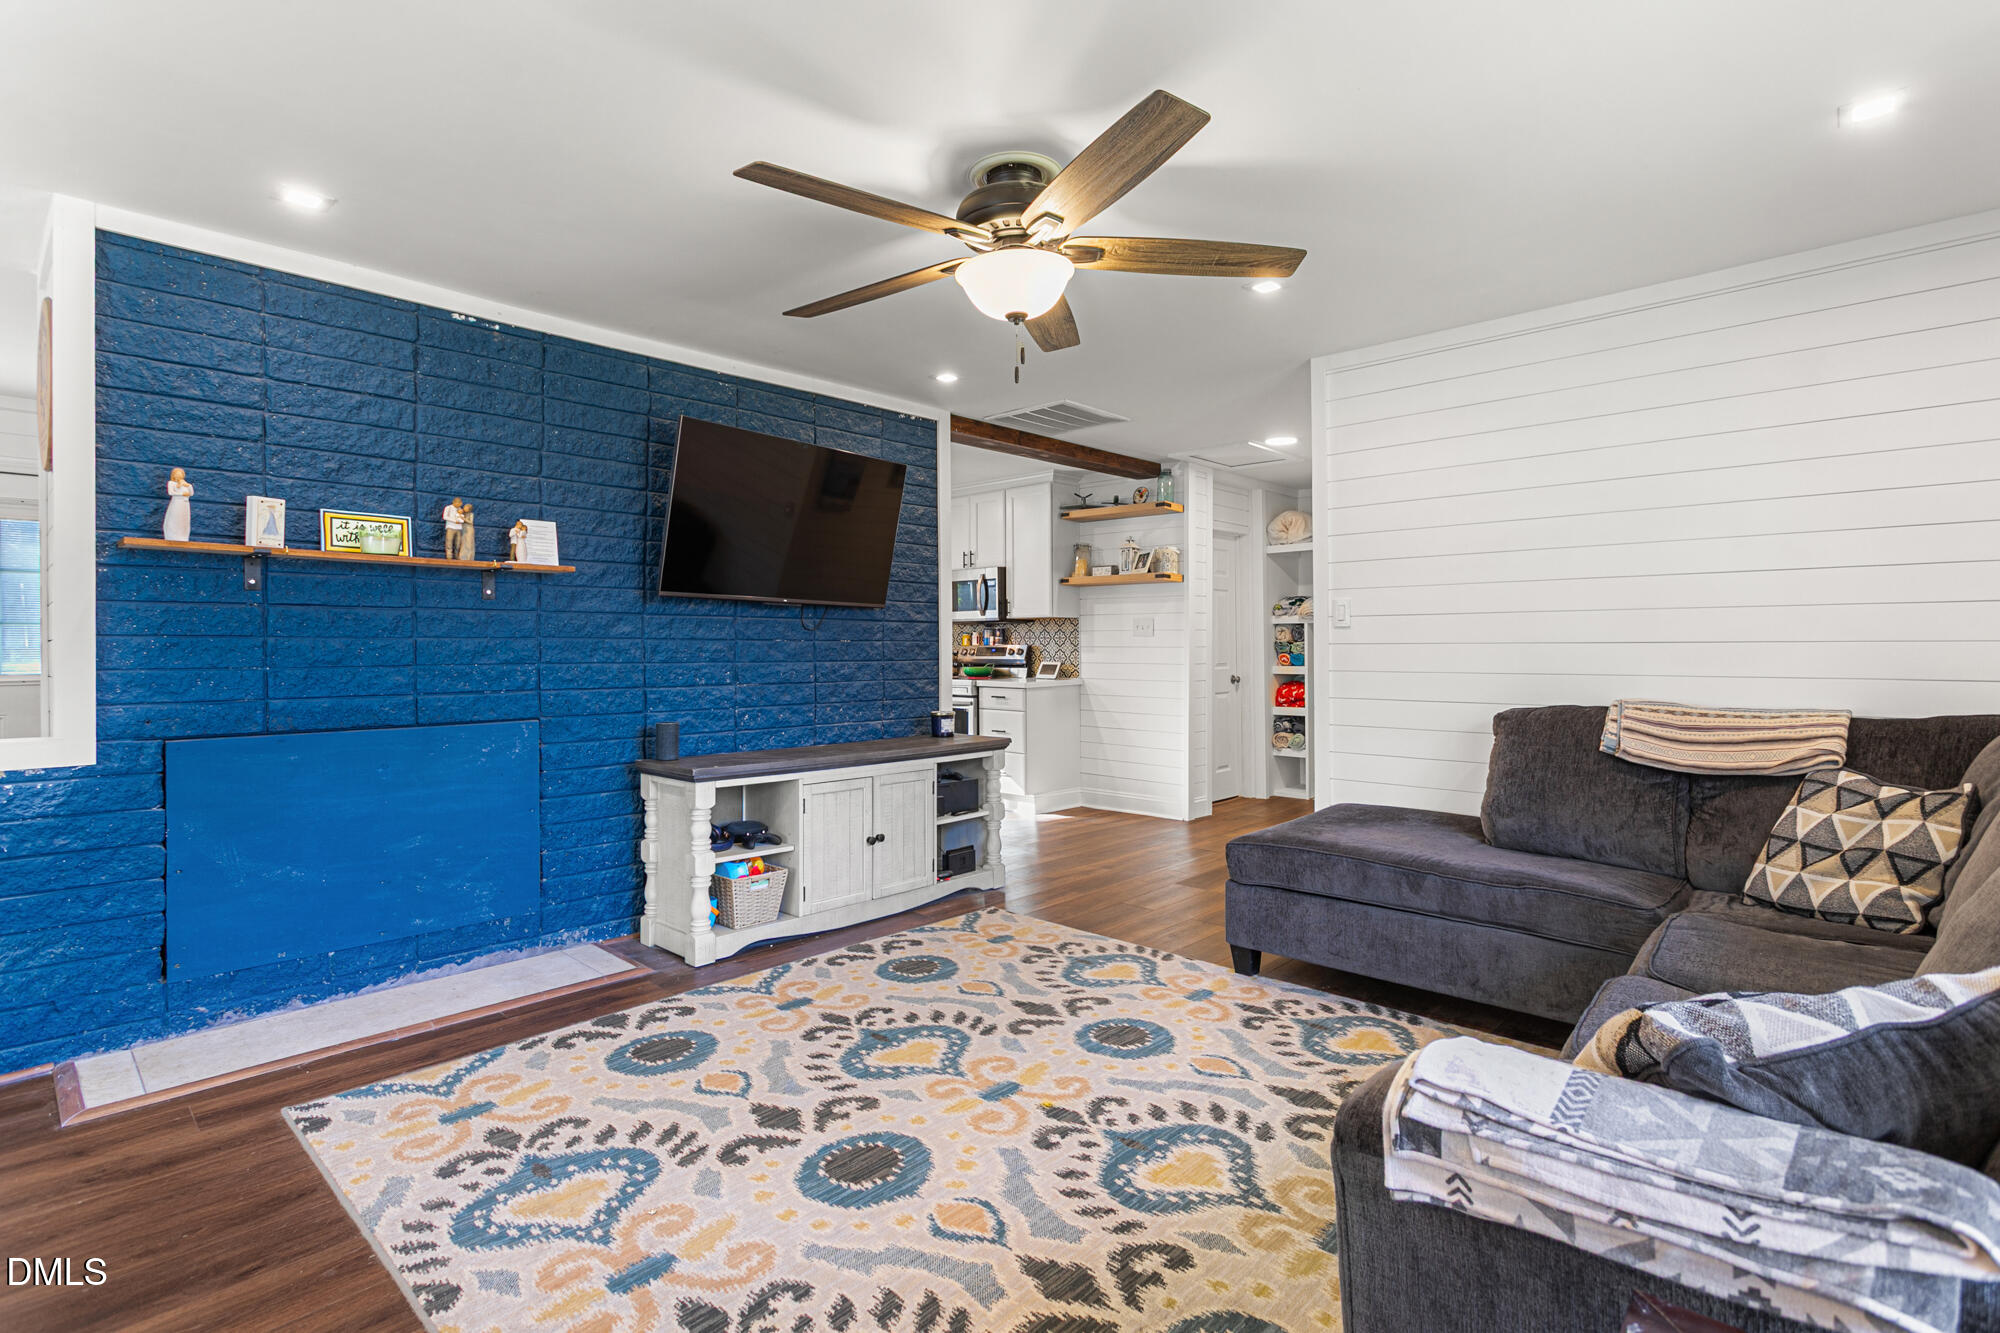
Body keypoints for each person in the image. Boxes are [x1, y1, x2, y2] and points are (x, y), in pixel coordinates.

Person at [164, 468, 193, 542]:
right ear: (173, 475)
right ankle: (172, 535)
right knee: (174, 517)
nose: (179, 476)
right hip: (176, 502)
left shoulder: (185, 484)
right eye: (177, 474)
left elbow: (191, 493)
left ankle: (183, 535)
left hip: (185, 504)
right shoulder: (171, 483)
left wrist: (188, 485)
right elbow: (171, 493)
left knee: (183, 518)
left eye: (180, 474)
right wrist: (181, 494)